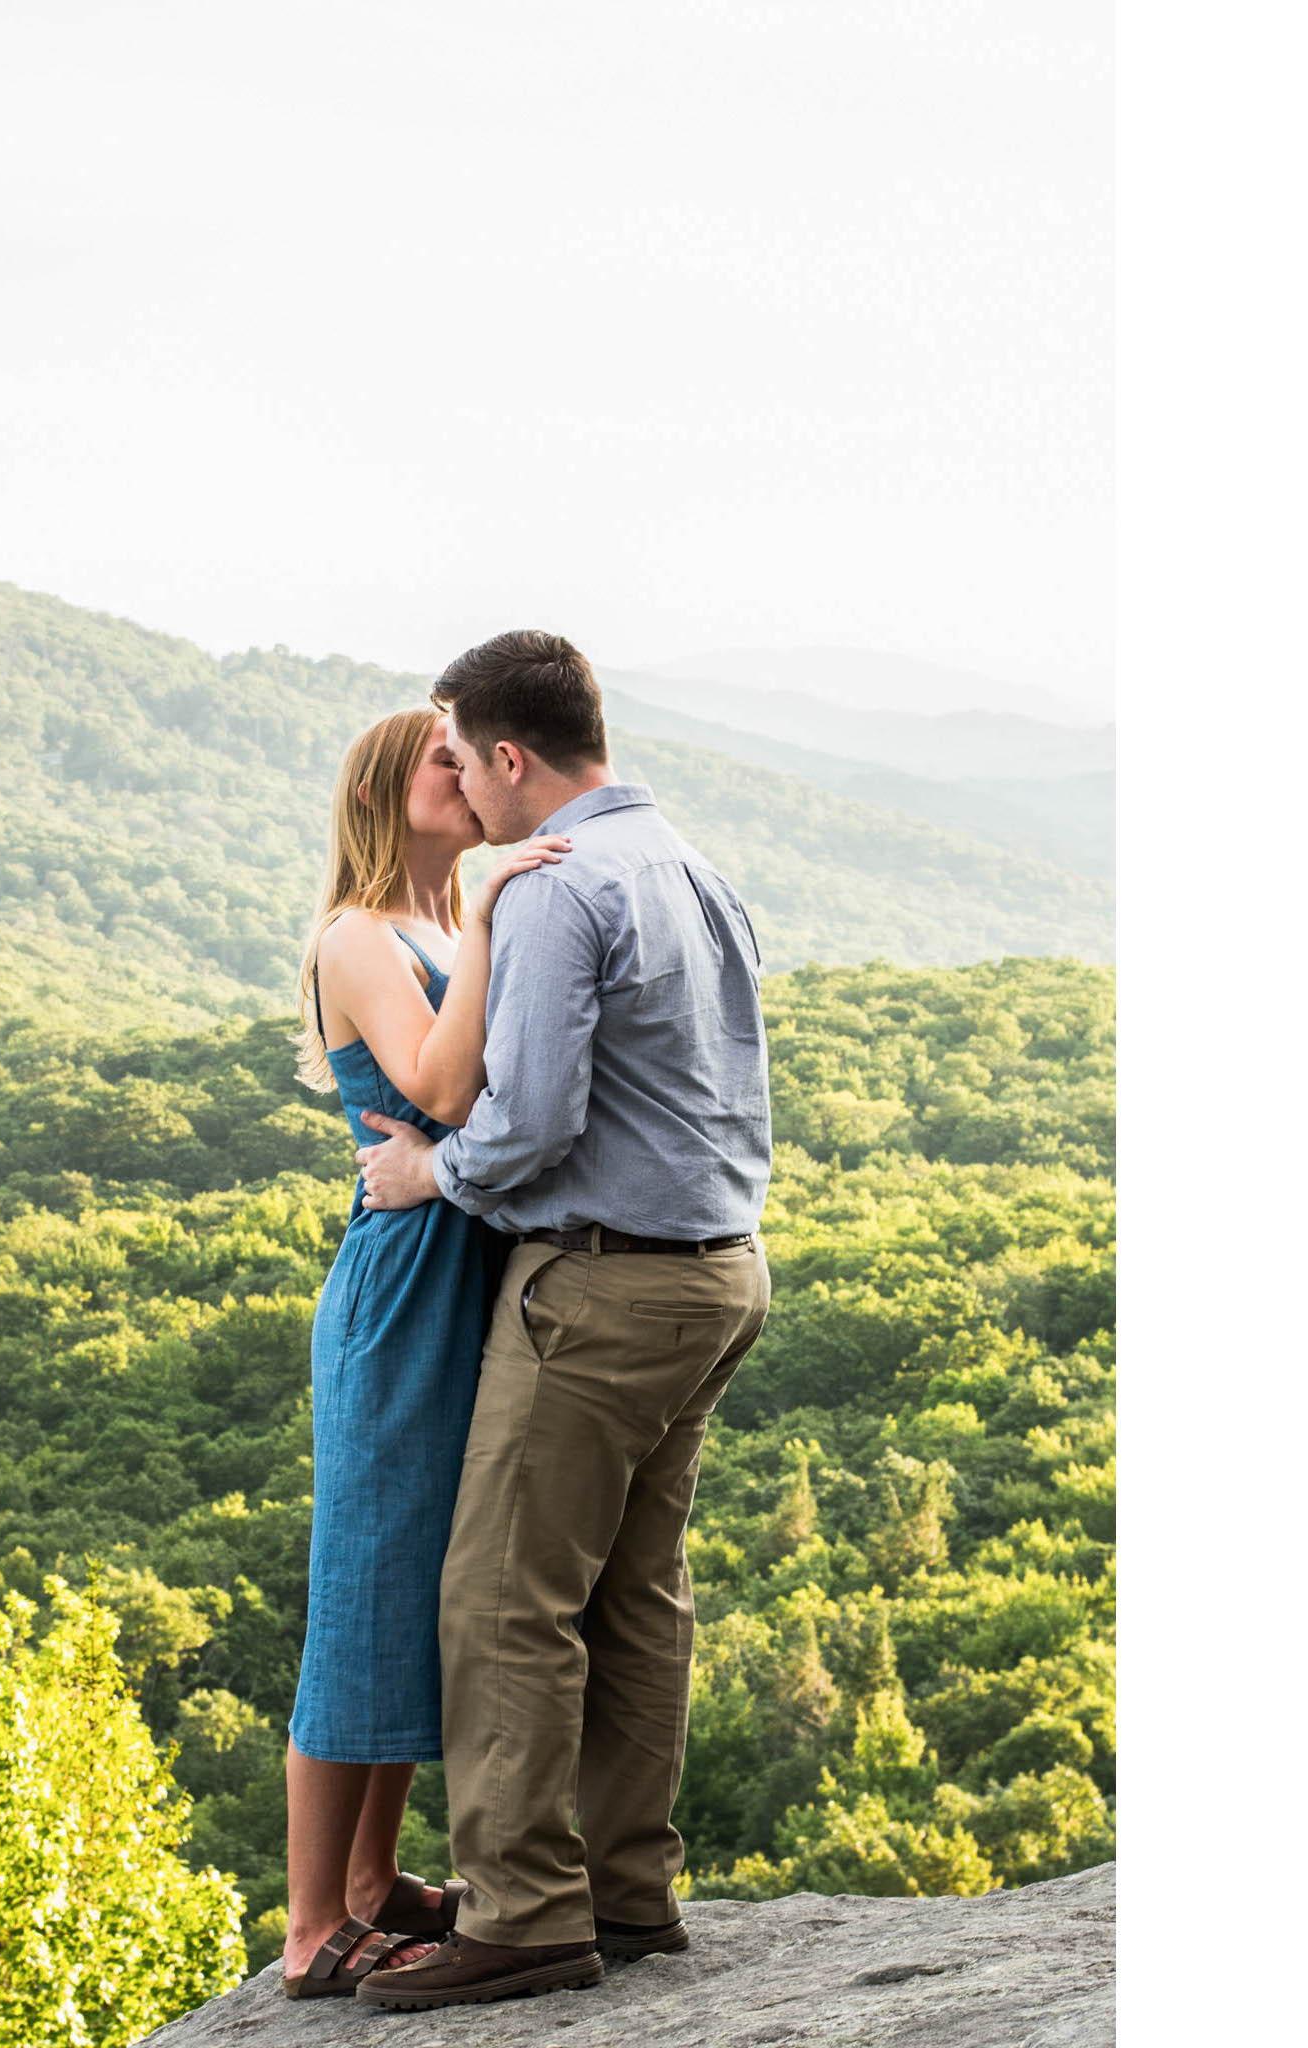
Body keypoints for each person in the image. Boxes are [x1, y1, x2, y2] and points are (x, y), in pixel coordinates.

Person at [349, 631, 774, 2013]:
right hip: (720, 1272)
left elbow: (527, 1123)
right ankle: (629, 1893)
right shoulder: (688, 866)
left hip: (599, 1285)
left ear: (512, 756)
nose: (461, 788)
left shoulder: (555, 892)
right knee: (636, 1598)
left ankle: (526, 1914)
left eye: (464, 759)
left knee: (501, 1600)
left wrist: (428, 1173)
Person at [278, 705, 574, 2000]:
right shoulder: (357, 933)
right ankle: (307, 1931)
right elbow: (445, 1092)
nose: (464, 774)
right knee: (361, 1591)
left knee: (420, 1598)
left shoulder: (449, 924)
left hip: (467, 1270)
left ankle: (368, 1884)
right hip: (402, 1288)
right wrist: (502, 914)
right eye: (440, 762)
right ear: (389, 794)